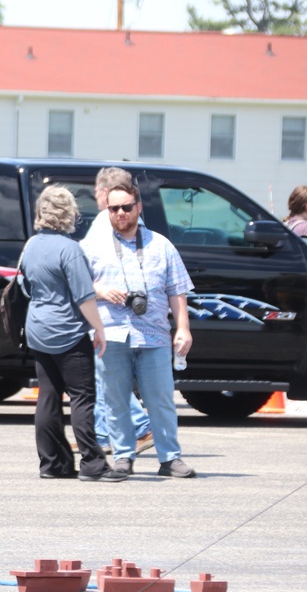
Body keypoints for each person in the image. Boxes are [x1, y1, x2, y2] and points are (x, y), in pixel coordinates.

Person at [81, 182, 196, 478]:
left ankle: (170, 458)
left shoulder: (161, 245)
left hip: (154, 335)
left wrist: (182, 328)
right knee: (115, 399)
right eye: (114, 208)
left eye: (126, 207)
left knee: (160, 398)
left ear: (138, 207)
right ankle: (122, 457)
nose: (120, 213)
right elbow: (76, 285)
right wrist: (101, 290)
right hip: (111, 334)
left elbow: (178, 289)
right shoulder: (93, 247)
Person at [21, 185, 127, 482]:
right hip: (67, 332)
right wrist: (99, 329)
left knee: (49, 397)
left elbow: (28, 287)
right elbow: (84, 296)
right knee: (82, 397)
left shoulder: (31, 246)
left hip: (38, 329)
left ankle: (52, 463)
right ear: (69, 214)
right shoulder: (70, 249)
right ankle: (93, 464)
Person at [86, 167, 154, 457]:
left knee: (108, 375)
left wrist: (96, 290)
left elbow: (84, 263)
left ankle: (138, 427)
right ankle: (102, 434)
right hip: (125, 312)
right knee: (105, 375)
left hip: (108, 312)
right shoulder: (134, 220)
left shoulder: (105, 220)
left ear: (104, 192)